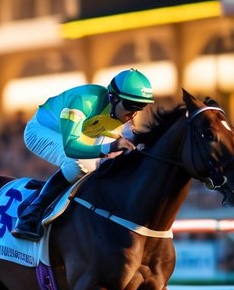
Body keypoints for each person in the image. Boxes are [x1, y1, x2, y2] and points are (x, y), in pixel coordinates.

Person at [11, 68, 153, 240]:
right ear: (114, 98)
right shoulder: (84, 101)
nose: (133, 114)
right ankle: (31, 212)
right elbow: (71, 147)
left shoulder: (122, 115)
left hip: (82, 134)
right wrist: (110, 148)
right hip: (42, 130)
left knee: (97, 168)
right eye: (130, 106)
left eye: (140, 107)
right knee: (79, 163)